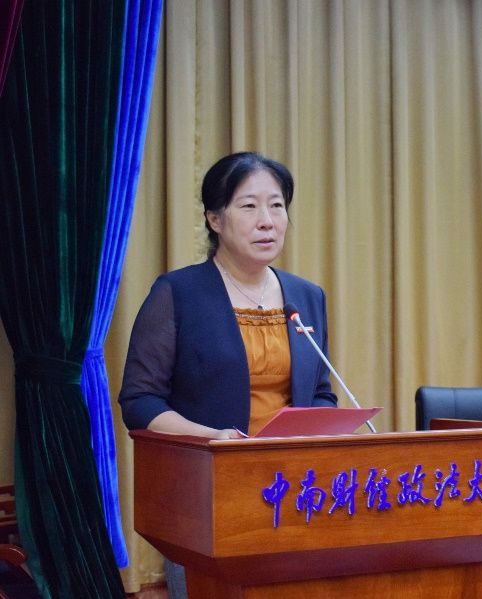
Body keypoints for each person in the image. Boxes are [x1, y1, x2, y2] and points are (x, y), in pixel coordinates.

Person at [118, 151, 338, 598]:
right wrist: (213, 438)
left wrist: (319, 427)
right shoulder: (178, 293)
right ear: (215, 219)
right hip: (205, 492)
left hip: (292, 490)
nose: (267, 221)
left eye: (277, 206)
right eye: (249, 206)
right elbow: (140, 401)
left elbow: (320, 391)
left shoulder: (305, 296)